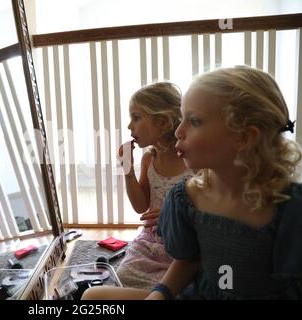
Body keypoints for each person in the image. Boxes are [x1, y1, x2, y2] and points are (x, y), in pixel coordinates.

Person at [84, 66, 302, 300]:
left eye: (195, 121)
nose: (179, 131)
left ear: (244, 137)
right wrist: (160, 294)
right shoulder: (186, 196)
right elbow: (188, 260)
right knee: (92, 297)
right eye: (182, 118)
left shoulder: (288, 208)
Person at [113, 82, 193, 290]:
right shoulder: (149, 159)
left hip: (183, 242)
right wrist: (128, 171)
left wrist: (173, 214)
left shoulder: (193, 161)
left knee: (185, 284)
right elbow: (141, 207)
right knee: (122, 275)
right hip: (151, 241)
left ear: (163, 122)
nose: (129, 126)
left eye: (136, 117)